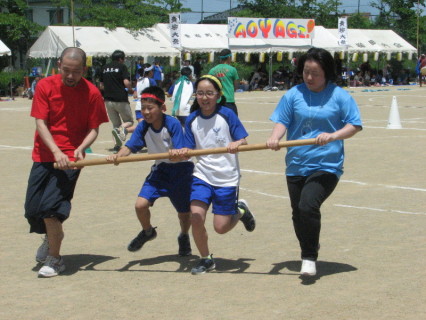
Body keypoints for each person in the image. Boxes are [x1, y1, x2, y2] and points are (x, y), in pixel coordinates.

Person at [266, 47, 362, 277]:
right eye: (306, 72)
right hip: (297, 163)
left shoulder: (339, 96)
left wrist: (334, 135)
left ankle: (309, 256)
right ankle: (310, 244)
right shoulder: (293, 95)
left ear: (327, 73)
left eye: (315, 73)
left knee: (308, 206)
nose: (309, 77)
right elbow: (282, 121)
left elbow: (354, 124)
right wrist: (275, 137)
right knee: (298, 214)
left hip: (326, 165)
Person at [24, 47, 109, 278]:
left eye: (77, 71)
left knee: (50, 208)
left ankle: (55, 258)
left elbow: (94, 129)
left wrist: (79, 149)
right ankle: (50, 237)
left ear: (84, 69)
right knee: (32, 210)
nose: (71, 76)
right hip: (44, 154)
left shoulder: (92, 92)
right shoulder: (44, 86)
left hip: (71, 159)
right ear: (59, 64)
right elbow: (40, 123)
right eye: (66, 70)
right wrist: (55, 150)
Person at [170, 75, 256, 275]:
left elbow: (243, 139)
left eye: (209, 93)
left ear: (218, 95)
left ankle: (240, 210)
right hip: (202, 175)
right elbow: (188, 148)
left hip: (227, 177)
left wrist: (237, 143)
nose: (204, 97)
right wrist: (179, 152)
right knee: (196, 216)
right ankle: (206, 259)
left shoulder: (227, 114)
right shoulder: (192, 119)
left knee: (221, 227)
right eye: (200, 93)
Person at [106, 86, 194, 256]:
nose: (145, 112)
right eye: (143, 108)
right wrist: (118, 156)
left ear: (162, 108)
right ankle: (148, 232)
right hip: (161, 169)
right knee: (140, 205)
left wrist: (176, 154)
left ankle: (184, 236)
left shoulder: (172, 123)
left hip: (181, 170)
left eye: (150, 108)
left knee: (184, 213)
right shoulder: (143, 127)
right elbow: (130, 146)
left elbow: (181, 152)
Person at [99, 50, 134, 152]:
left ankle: (116, 146)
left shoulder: (104, 68)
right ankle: (122, 129)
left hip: (108, 99)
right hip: (121, 98)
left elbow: (101, 85)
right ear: (120, 59)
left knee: (115, 124)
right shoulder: (122, 67)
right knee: (129, 121)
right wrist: (131, 89)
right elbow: (126, 82)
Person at [208, 49, 240, 115]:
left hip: (216, 100)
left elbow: (208, 84)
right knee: (232, 121)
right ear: (229, 57)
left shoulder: (212, 70)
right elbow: (236, 86)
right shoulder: (232, 69)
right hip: (229, 100)